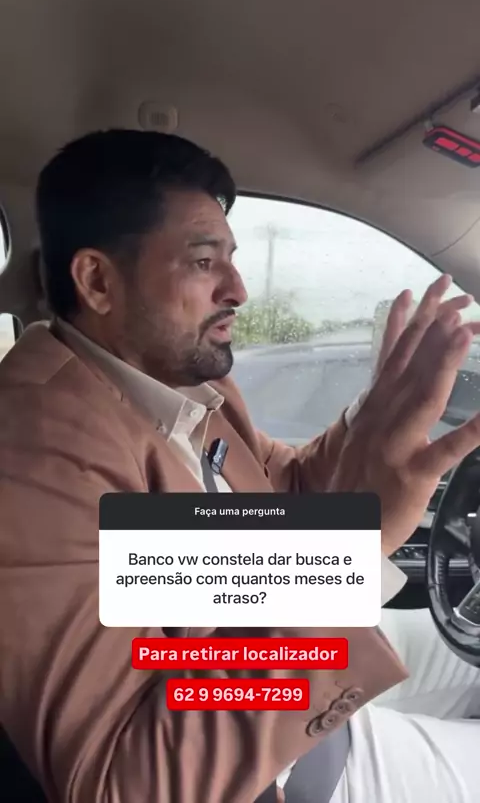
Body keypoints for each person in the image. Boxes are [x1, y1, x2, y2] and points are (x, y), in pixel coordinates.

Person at [0, 129, 479, 803]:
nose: (240, 290)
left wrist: (365, 424)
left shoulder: (183, 383)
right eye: (204, 262)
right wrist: (355, 551)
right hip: (270, 766)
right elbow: (124, 783)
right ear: (98, 281)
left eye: (232, 259)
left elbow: (283, 491)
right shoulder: (31, 455)